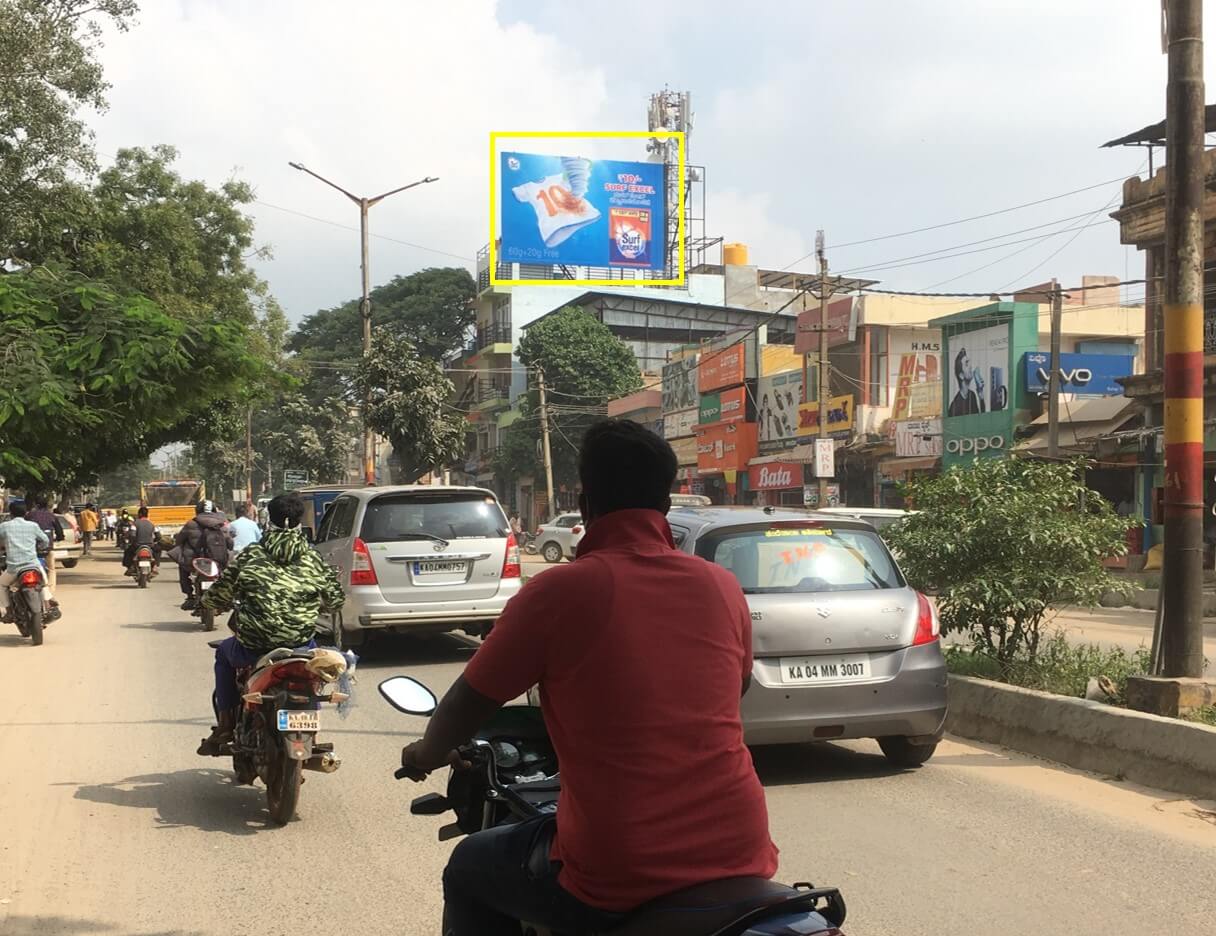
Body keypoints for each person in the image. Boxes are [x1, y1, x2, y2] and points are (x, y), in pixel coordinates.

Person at [400, 419, 777, 935]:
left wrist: (425, 754)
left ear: (585, 501)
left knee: (469, 865)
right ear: (665, 503)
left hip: (619, 867)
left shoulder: (560, 592)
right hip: (740, 848)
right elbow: (736, 687)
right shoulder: (722, 586)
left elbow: (467, 703)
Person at [196, 492, 345, 755]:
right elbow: (335, 600)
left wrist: (209, 604)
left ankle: (226, 725)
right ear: (300, 521)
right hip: (299, 644)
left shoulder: (251, 555)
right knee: (308, 675)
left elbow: (220, 593)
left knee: (222, 654)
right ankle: (312, 731)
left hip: (255, 645)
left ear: (268, 519)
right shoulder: (313, 558)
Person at [0, 502, 57, 622]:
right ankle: (48, 605)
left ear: (11, 513)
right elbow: (45, 540)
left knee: (2, 585)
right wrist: (40, 548)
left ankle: (9, 612)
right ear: (26, 513)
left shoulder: (4, 526)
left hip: (14, 568)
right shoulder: (33, 526)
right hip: (33, 565)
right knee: (43, 582)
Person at [174, 500, 233, 611]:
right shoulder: (222, 524)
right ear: (215, 511)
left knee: (182, 566)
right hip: (219, 560)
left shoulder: (191, 523)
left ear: (197, 511)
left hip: (195, 561)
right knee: (229, 573)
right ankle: (228, 597)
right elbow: (230, 544)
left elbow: (179, 540)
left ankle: (189, 596)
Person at [26, 499, 64, 591]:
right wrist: (59, 538)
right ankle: (51, 590)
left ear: (36, 505)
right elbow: (59, 532)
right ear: (47, 505)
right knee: (51, 569)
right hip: (48, 548)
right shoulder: (52, 516)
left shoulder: (30, 515)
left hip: (32, 548)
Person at [947, 348, 986, 418]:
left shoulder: (972, 395)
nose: (971, 366)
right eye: (966, 364)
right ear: (961, 375)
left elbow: (981, 420)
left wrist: (981, 394)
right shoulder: (955, 407)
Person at [123, 507, 161, 573]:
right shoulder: (152, 524)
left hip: (137, 545)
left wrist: (131, 541)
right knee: (158, 550)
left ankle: (130, 566)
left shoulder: (135, 524)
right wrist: (154, 541)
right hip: (150, 545)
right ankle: (155, 565)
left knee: (128, 551)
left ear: (139, 514)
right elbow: (158, 536)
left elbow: (132, 535)